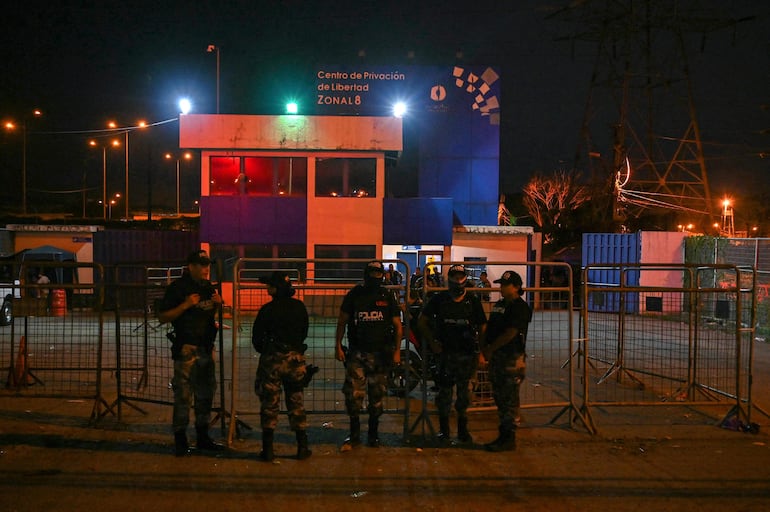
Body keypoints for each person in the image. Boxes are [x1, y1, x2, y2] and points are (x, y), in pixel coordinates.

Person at [158, 250, 225, 457]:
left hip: (205, 348)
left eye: (207, 264)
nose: (206, 268)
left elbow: (209, 316)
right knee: (183, 396)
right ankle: (180, 440)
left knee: (205, 395)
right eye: (201, 264)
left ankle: (203, 437)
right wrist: (186, 305)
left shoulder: (207, 287)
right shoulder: (177, 289)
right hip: (186, 348)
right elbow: (162, 317)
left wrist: (219, 304)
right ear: (190, 266)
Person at [335, 260, 402, 449]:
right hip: (357, 353)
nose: (375, 277)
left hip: (381, 354)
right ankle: (354, 435)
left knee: (377, 397)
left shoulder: (387, 296)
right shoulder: (355, 294)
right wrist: (337, 346)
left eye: (377, 273)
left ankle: (373, 436)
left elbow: (397, 326)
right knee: (353, 397)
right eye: (372, 273)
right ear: (366, 274)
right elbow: (342, 321)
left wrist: (397, 351)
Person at [418, 264, 487, 445]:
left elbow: (482, 327)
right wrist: (432, 343)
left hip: (467, 356)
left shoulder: (472, 301)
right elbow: (422, 322)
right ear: (449, 279)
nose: (458, 280)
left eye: (460, 277)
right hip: (445, 357)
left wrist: (481, 352)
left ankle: (463, 432)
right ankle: (444, 432)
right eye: (454, 277)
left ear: (465, 278)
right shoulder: (439, 300)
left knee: (465, 397)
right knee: (444, 397)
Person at [252, 271, 312, 461]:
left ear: (276, 289)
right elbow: (304, 332)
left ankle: (268, 450)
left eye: (270, 286)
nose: (268, 288)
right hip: (295, 359)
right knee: (296, 401)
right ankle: (302, 447)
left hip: (272, 360)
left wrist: (270, 351)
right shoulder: (299, 307)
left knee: (270, 403)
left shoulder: (267, 310)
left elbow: (257, 340)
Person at [480, 270, 532, 452]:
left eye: (505, 284)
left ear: (516, 287)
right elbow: (490, 327)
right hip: (498, 358)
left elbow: (511, 333)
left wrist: (490, 348)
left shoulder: (520, 307)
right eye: (501, 284)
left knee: (509, 399)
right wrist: (485, 348)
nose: (501, 287)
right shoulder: (500, 304)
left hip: (511, 358)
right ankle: (503, 436)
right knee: (501, 397)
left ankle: (508, 438)